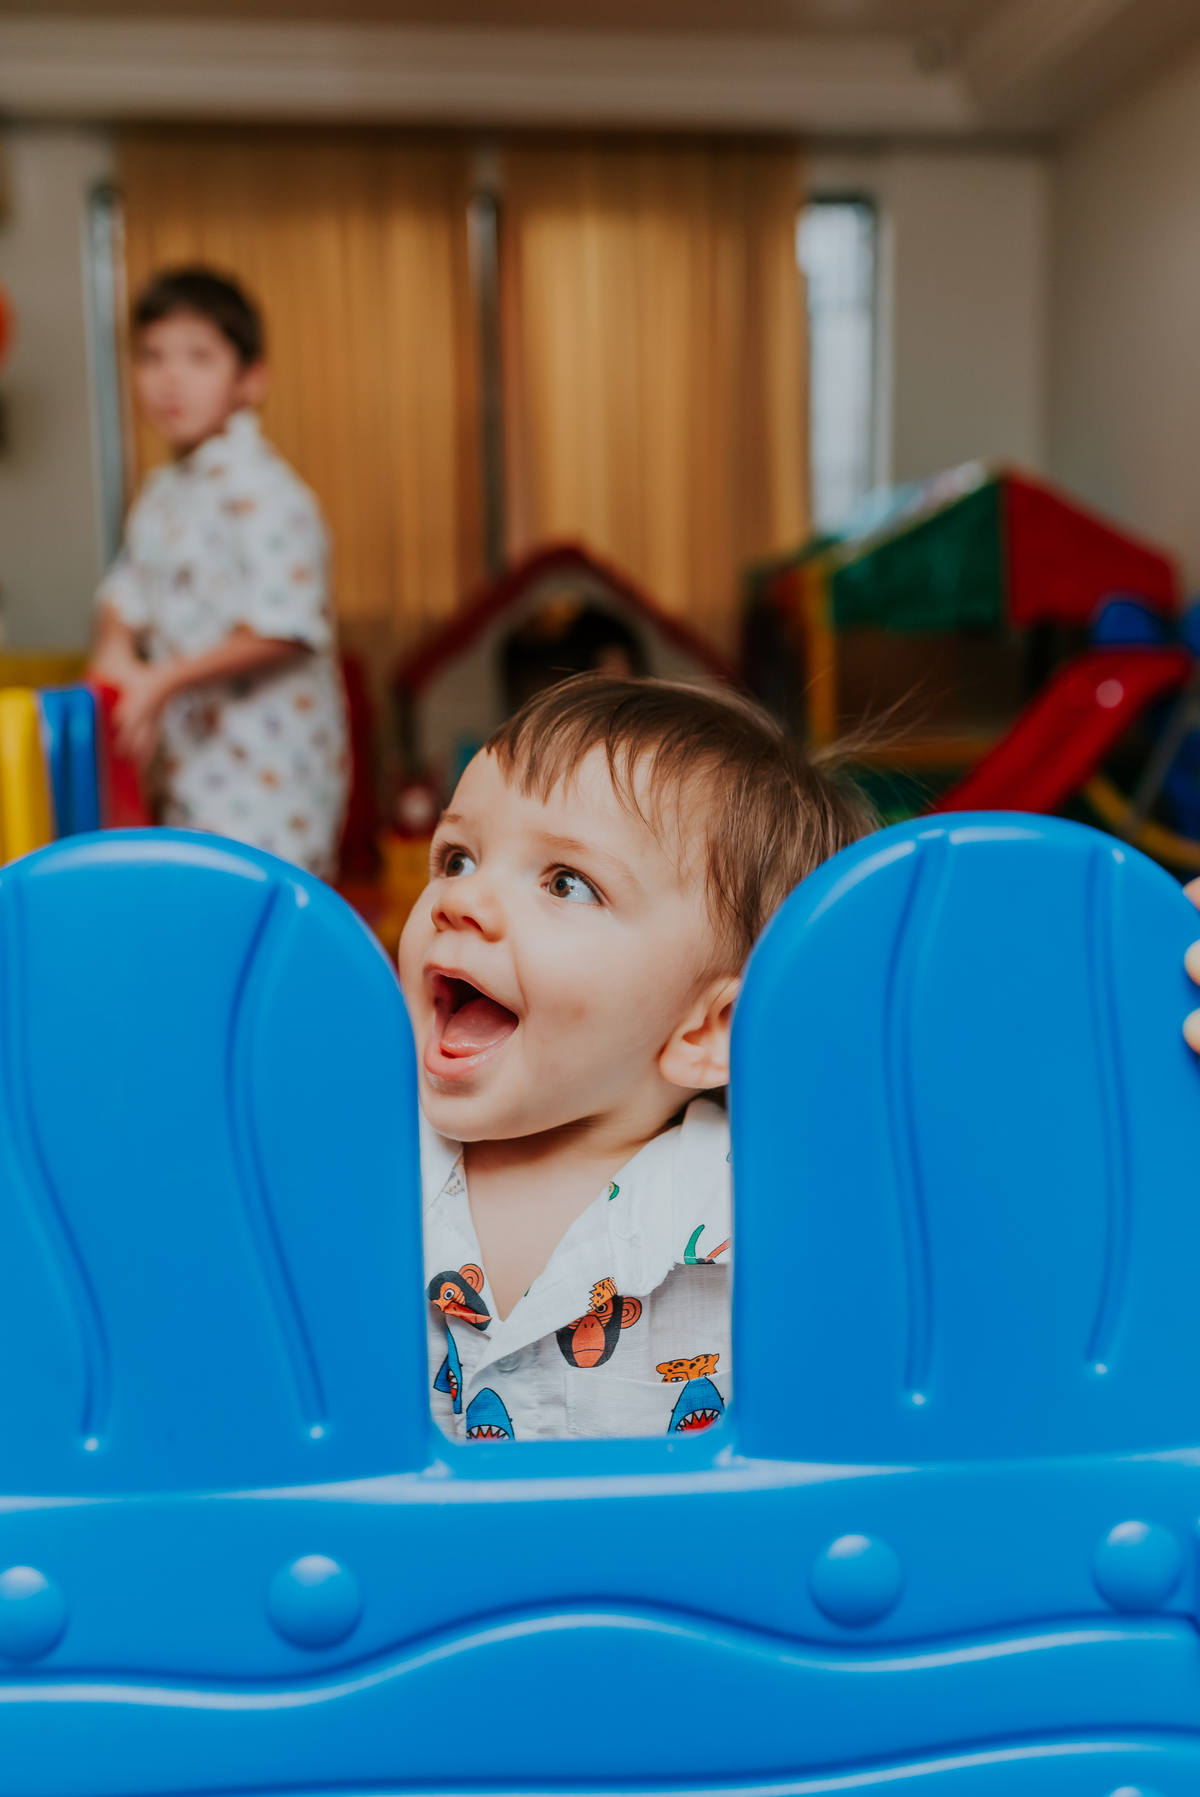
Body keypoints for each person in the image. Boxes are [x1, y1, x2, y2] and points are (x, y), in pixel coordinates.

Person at [398, 675, 873, 1441]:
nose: (460, 900)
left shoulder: (767, 1220)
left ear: (710, 1029)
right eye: (457, 858)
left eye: (566, 882)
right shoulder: (347, 1169)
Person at [89, 268, 348, 878]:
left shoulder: (266, 490)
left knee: (262, 907)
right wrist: (115, 650)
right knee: (199, 904)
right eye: (152, 356)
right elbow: (126, 592)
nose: (170, 378)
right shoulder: (162, 493)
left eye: (198, 357)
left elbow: (285, 626)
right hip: (190, 767)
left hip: (270, 772)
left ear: (250, 380)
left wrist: (163, 681)